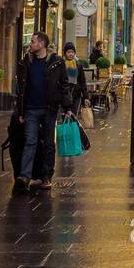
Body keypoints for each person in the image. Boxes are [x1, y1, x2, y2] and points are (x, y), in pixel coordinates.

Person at [14, 32, 72, 190]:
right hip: (30, 109)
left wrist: (67, 107)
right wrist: (20, 112)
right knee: (30, 142)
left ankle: (46, 176)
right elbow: (21, 89)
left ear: (41, 44)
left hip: (49, 108)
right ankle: (25, 177)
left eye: (33, 42)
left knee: (48, 144)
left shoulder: (57, 62)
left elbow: (64, 85)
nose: (30, 44)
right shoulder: (26, 61)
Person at [63, 43, 88, 113]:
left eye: (72, 52)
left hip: (76, 95)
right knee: (64, 118)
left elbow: (82, 81)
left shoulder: (78, 65)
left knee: (74, 117)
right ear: (65, 53)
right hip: (64, 96)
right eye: (68, 52)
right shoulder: (61, 64)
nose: (70, 54)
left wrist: (86, 97)